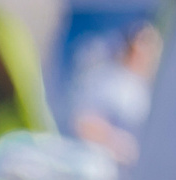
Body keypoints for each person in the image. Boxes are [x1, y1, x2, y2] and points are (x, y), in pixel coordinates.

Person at [68, 23, 161, 170]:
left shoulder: (142, 87)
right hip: (98, 167)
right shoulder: (109, 81)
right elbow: (84, 122)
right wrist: (117, 143)